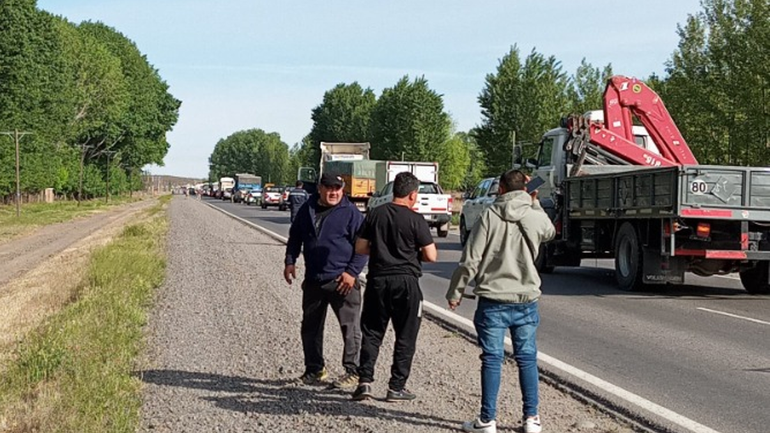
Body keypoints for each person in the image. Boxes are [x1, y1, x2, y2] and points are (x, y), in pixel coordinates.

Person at [445, 169, 555, 433]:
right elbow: (549, 232)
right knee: (527, 358)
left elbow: (470, 261)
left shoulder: (488, 216)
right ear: (525, 190)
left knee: (492, 358)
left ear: (501, 189)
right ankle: (531, 419)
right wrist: (535, 201)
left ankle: (487, 420)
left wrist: (455, 292)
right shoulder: (534, 215)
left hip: (493, 300)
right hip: (526, 299)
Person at [351, 171, 437, 402]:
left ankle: (365, 382)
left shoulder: (375, 214)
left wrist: (380, 250)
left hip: (378, 280)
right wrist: (411, 252)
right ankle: (396, 386)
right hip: (406, 283)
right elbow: (431, 255)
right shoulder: (416, 219)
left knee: (371, 332)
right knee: (406, 336)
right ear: (412, 194)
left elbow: (360, 247)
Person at [284, 172, 367, 388]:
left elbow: (364, 246)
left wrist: (351, 272)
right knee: (310, 327)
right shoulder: (307, 208)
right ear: (320, 188)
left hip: (342, 280)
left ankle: (353, 371)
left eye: (337, 189)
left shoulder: (351, 213)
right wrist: (290, 261)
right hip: (314, 279)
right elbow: (295, 237)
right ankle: (315, 369)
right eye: (329, 188)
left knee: (350, 328)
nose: (333, 192)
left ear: (343, 190)